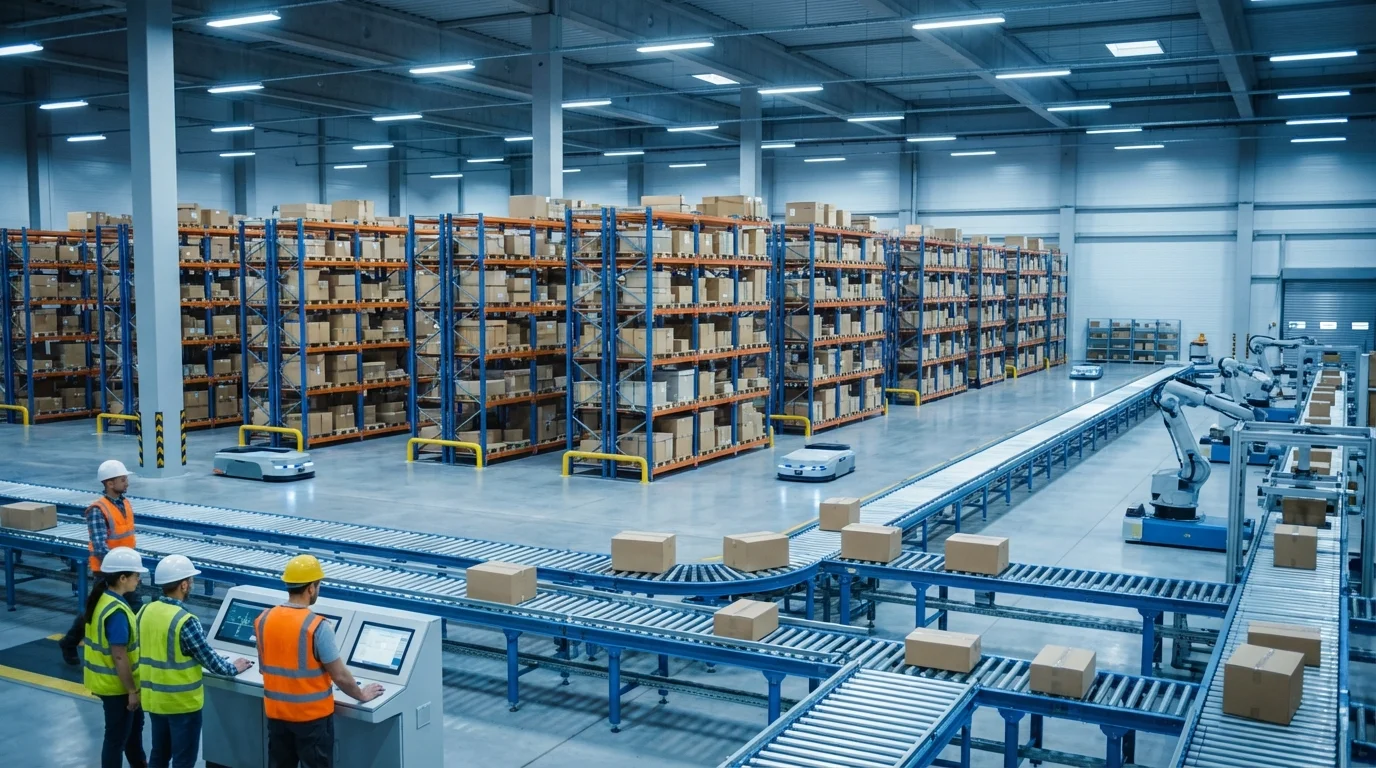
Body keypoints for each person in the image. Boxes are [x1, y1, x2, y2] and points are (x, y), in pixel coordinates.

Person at [256, 554, 384, 768]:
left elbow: (265, 667)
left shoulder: (264, 619)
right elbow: (340, 676)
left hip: (276, 715)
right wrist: (362, 694)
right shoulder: (316, 626)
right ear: (311, 589)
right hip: (311, 720)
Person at [137, 555, 253, 768]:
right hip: (181, 704)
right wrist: (234, 667)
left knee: (159, 755)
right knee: (184, 760)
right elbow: (212, 662)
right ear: (183, 584)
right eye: (190, 580)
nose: (191, 584)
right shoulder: (184, 621)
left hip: (155, 700)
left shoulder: (145, 611)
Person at [61, 459, 139, 665]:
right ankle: (69, 642)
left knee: (135, 607)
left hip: (126, 570)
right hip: (108, 572)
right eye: (123, 479)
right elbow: (99, 545)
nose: (127, 483)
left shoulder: (125, 503)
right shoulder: (98, 510)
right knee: (93, 611)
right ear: (109, 483)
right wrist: (118, 569)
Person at [82, 547, 148, 768]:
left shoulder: (103, 599)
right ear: (122, 578)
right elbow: (119, 656)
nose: (138, 580)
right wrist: (132, 691)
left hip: (109, 684)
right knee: (116, 740)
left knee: (130, 734)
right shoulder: (117, 612)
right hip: (117, 687)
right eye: (136, 575)